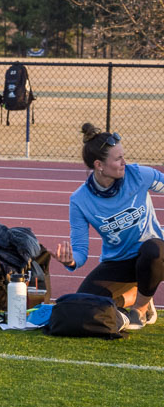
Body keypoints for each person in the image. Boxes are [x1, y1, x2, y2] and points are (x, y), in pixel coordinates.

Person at [51, 124, 162, 330]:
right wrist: (72, 259)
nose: (124, 162)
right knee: (82, 305)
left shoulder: (138, 175)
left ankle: (139, 308)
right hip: (119, 261)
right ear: (99, 165)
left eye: (123, 156)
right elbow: (81, 251)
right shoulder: (79, 200)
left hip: (154, 256)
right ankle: (137, 297)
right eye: (118, 158)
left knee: (154, 250)